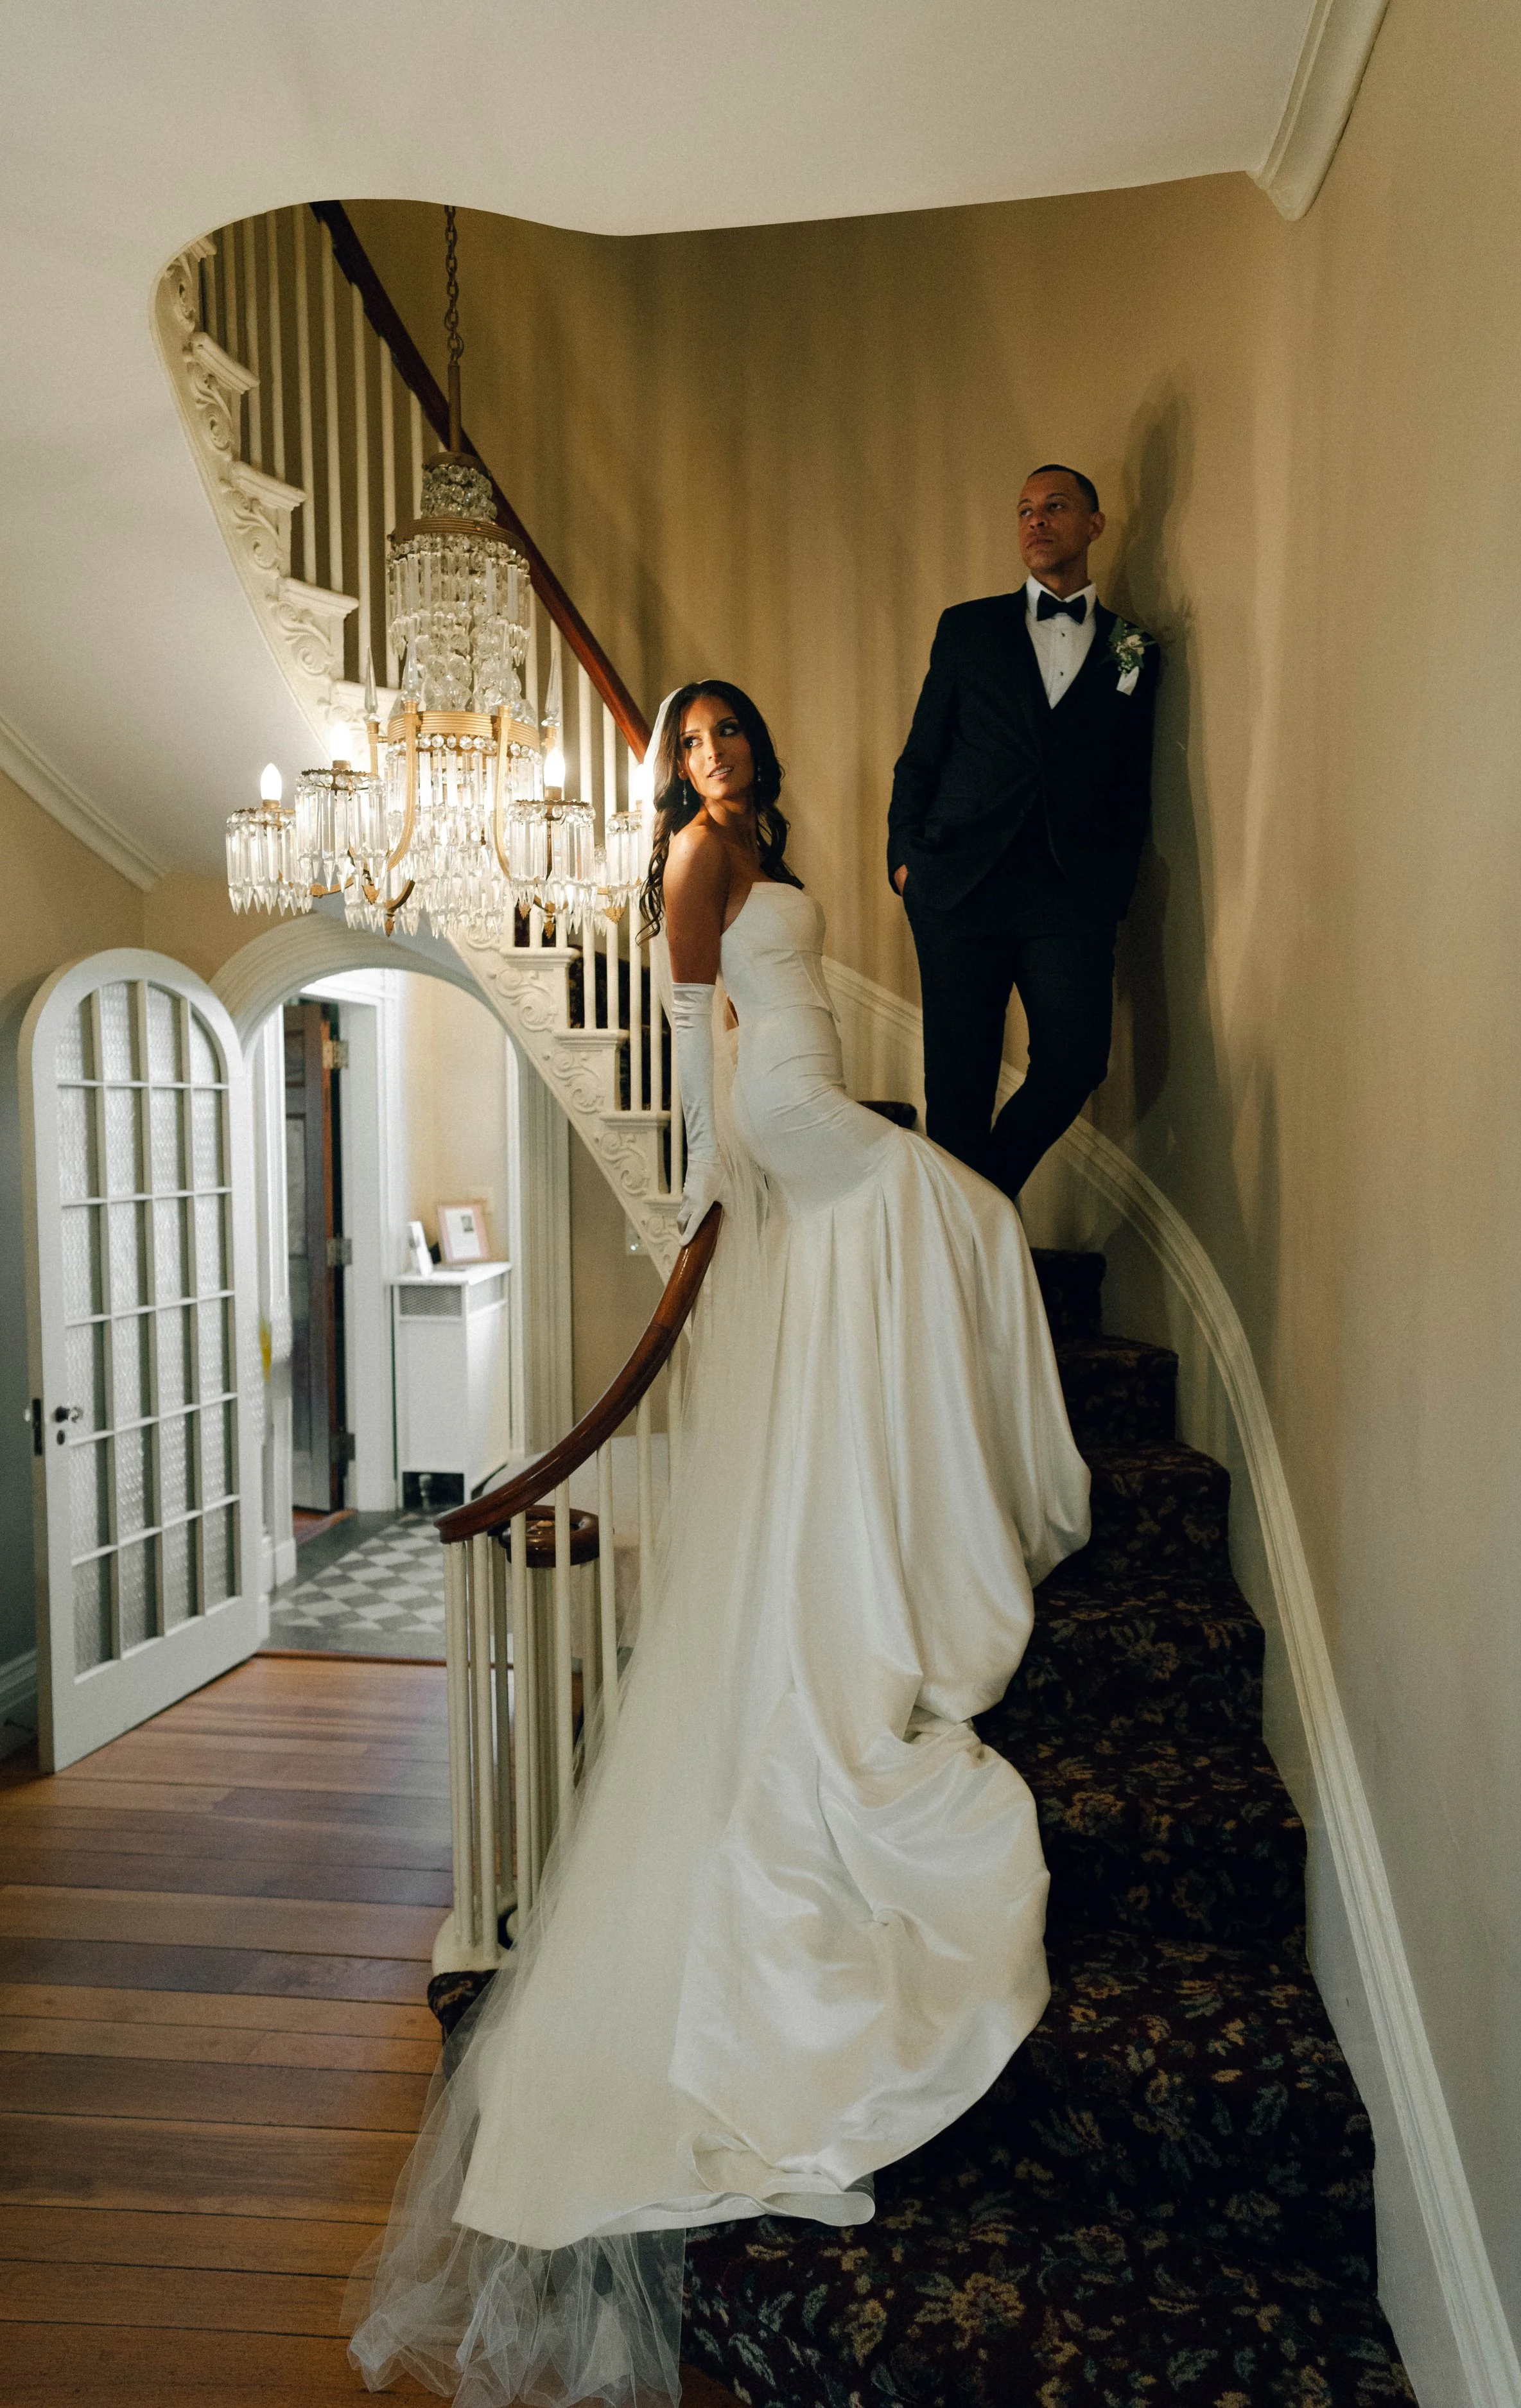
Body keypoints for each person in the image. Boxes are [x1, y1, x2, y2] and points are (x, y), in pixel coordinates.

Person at [348, 681, 1091, 2408]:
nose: (715, 759)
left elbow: (778, 994)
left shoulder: (762, 845)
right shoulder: (693, 856)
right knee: (959, 1212)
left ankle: (932, 1493)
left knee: (948, 1227)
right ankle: (987, 1495)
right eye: (689, 741)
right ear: (668, 772)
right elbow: (692, 1028)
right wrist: (707, 1184)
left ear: (759, 746)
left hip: (810, 1109)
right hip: (790, 1131)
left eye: (731, 733)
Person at [888, 465, 1161, 1200]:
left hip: (1069, 897)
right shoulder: (967, 626)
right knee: (959, 1089)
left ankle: (976, 1206)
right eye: (1024, 511)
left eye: (1055, 507)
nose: (1035, 522)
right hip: (959, 886)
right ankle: (961, 1288)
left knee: (1075, 1062)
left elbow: (1133, 781)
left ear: (1094, 525)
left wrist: (1113, 887)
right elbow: (922, 754)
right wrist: (904, 863)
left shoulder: (1133, 648)